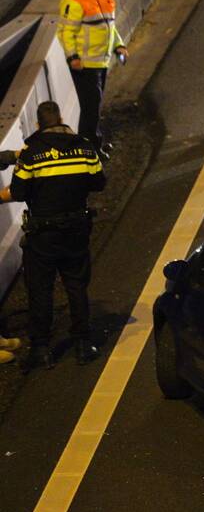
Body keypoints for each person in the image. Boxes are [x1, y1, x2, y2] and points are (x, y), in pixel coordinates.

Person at [0, 102, 106, 370]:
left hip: (42, 234)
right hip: (76, 230)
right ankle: (83, 343)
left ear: (38, 125)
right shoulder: (85, 147)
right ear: (61, 119)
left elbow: (20, 192)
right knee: (76, 286)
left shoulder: (32, 153)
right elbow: (98, 182)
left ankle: (41, 349)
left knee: (40, 289)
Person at [57, 0, 128, 160]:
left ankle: (92, 145)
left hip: (101, 61)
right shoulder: (75, 0)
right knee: (91, 108)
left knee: (93, 107)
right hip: (85, 65)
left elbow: (110, 27)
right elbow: (66, 32)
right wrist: (73, 57)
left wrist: (119, 45)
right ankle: (89, 150)